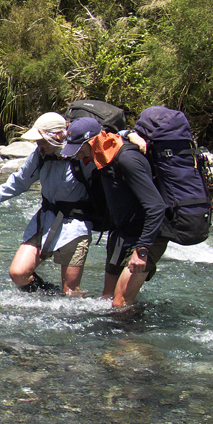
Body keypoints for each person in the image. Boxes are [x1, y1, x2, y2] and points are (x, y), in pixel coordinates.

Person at [61, 116, 168, 308]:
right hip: (121, 233)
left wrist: (142, 250)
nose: (78, 156)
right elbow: (110, 135)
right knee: (107, 299)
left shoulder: (127, 160)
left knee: (120, 304)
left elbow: (156, 206)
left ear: (92, 141)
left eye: (79, 149)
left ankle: (135, 339)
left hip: (146, 237)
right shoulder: (104, 156)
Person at [0, 112, 92, 295]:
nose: (37, 144)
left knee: (71, 291)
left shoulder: (82, 154)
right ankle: (48, 299)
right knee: (18, 274)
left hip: (74, 226)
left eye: (41, 140)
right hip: (46, 220)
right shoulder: (41, 153)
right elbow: (22, 179)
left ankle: (69, 312)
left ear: (56, 136)